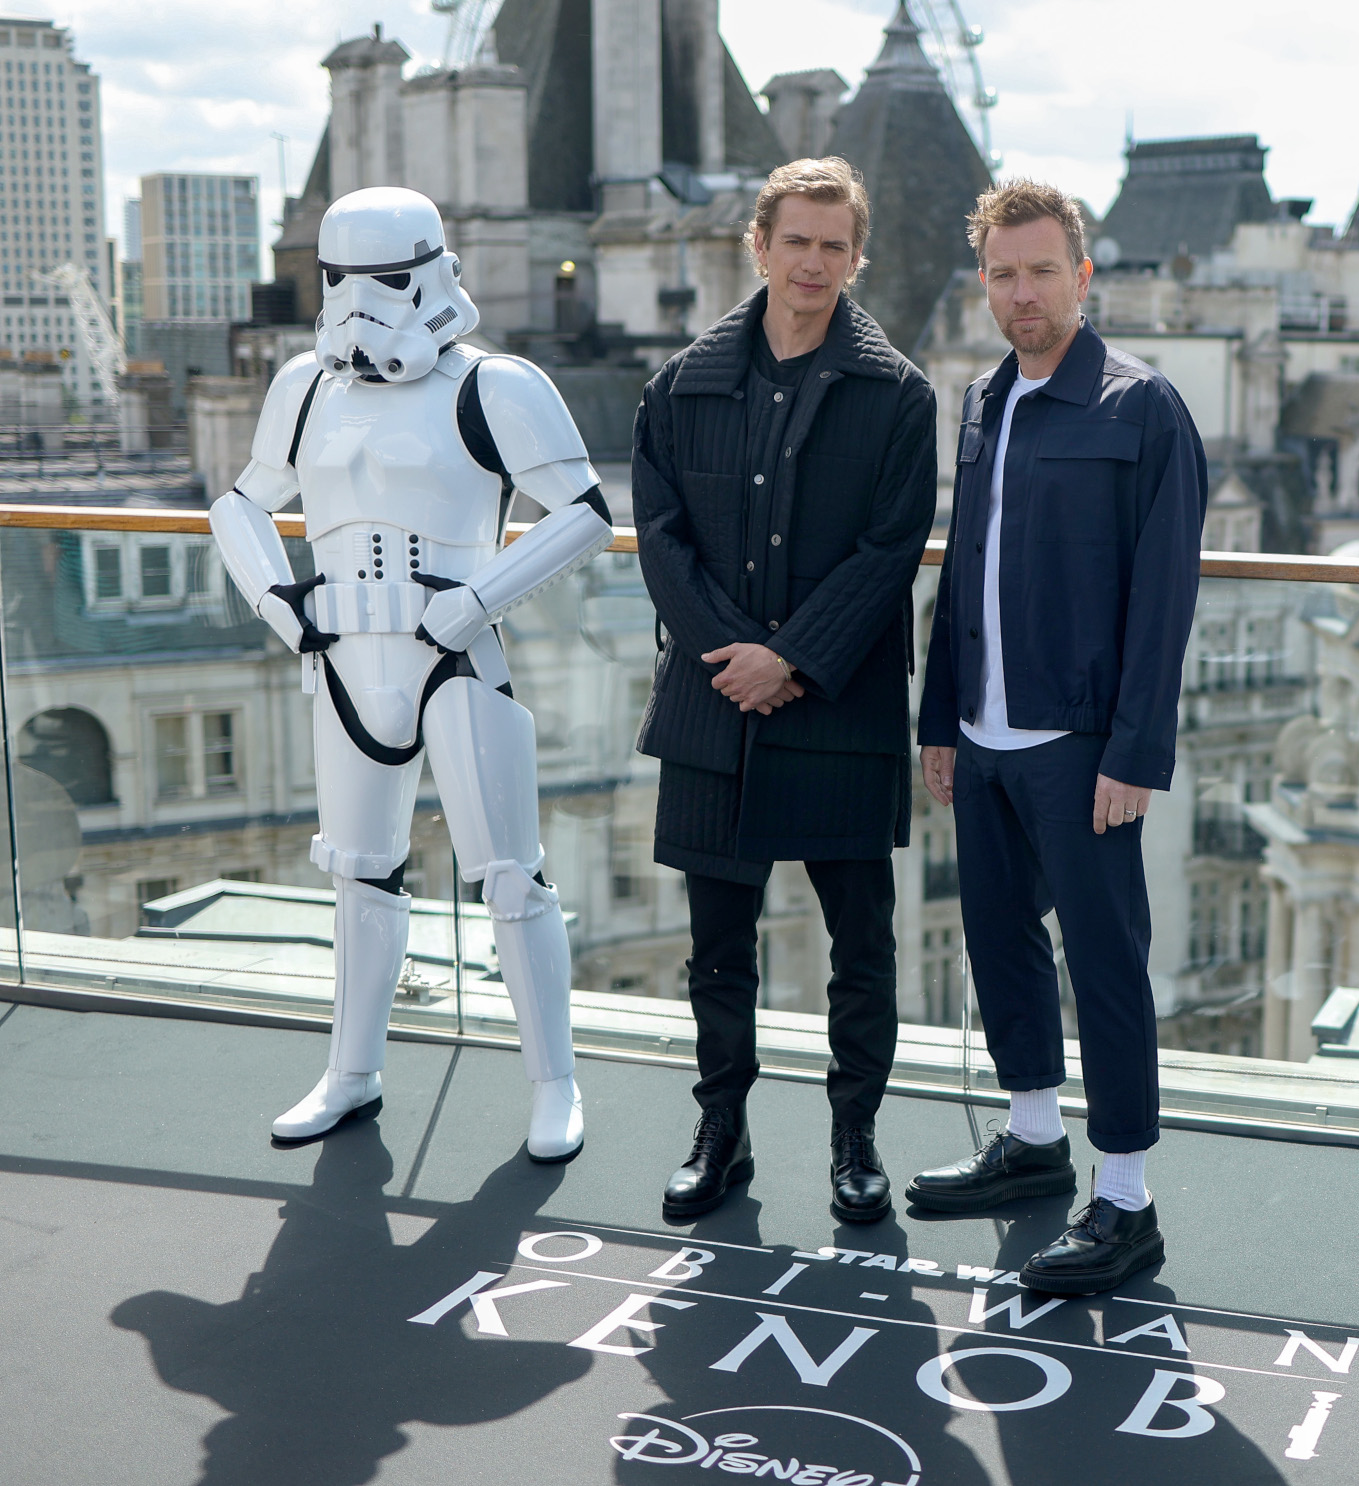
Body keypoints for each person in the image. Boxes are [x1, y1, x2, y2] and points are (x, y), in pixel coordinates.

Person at [210, 186, 612, 1160]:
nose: (361, 301)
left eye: (385, 277)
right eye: (339, 278)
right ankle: (351, 1069)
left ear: (433, 269)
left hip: (454, 658)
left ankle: (553, 1081)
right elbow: (239, 504)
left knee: (509, 877)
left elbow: (585, 513)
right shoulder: (303, 389)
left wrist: (476, 600)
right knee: (357, 875)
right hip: (344, 657)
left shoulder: (496, 385)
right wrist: (280, 603)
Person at [906, 179, 1206, 1295]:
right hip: (980, 736)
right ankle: (1033, 1139)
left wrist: (1133, 751)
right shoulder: (983, 399)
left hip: (1080, 745)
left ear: (1082, 277)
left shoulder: (1140, 405)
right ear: (981, 282)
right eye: (1000, 272)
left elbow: (1163, 594)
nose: (1019, 291)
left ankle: (1124, 1198)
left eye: (1040, 270)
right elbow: (962, 577)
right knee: (998, 942)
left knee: (1105, 963)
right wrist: (940, 719)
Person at [631, 158, 937, 1225]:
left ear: (857, 259)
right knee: (715, 947)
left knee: (862, 947)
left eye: (833, 246)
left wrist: (791, 659)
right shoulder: (677, 384)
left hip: (839, 703)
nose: (813, 263)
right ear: (756, 246)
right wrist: (736, 658)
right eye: (795, 241)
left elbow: (889, 548)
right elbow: (661, 542)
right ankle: (722, 1132)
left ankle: (854, 1139)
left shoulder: (899, 394)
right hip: (714, 703)